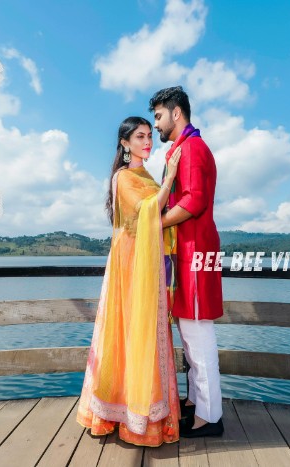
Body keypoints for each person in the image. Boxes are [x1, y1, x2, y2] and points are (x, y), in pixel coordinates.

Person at [76, 116, 183, 447]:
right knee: (128, 332)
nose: (147, 141)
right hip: (130, 266)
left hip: (146, 263)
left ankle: (147, 412)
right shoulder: (123, 177)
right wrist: (170, 178)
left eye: (150, 136)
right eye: (140, 137)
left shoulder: (144, 175)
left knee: (145, 333)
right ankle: (122, 413)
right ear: (125, 143)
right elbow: (147, 210)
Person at [150, 86, 225, 438]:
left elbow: (194, 201)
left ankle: (210, 417)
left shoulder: (192, 148)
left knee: (197, 336)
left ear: (176, 112)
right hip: (189, 250)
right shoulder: (183, 149)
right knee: (190, 333)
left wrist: (155, 223)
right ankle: (197, 404)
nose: (157, 125)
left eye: (159, 116)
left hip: (195, 250)